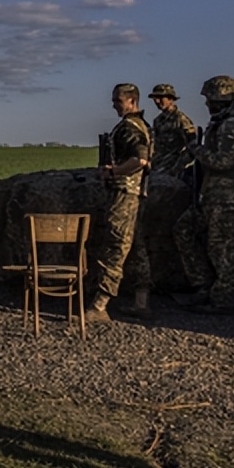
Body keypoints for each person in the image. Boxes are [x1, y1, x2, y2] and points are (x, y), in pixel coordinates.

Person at [173, 75, 234, 311]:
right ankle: (202, 285)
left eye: (213, 101)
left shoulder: (233, 125)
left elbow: (223, 162)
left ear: (225, 101)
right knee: (183, 230)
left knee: (222, 248)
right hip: (209, 193)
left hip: (225, 196)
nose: (209, 105)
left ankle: (223, 298)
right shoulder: (219, 123)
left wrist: (194, 147)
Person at [86, 84, 153, 322]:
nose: (115, 104)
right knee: (136, 247)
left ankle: (100, 304)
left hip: (126, 193)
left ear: (132, 101)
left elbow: (140, 160)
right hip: (138, 193)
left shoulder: (129, 128)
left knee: (116, 246)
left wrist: (114, 171)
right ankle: (141, 301)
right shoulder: (143, 126)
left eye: (118, 101)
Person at [148, 83, 197, 180]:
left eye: (161, 98)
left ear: (170, 99)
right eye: (155, 98)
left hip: (173, 170)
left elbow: (192, 145)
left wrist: (178, 166)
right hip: (157, 166)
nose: (157, 101)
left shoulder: (181, 119)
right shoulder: (158, 120)